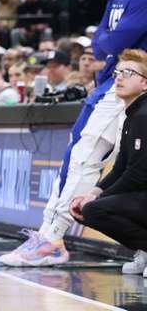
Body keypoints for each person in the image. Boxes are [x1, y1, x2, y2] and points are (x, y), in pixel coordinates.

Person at [0, 0, 147, 267]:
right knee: (91, 156)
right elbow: (99, 44)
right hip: (116, 82)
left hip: (129, 83)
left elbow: (115, 40)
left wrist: (107, 44)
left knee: (87, 155)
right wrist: (105, 44)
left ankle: (52, 237)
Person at [70, 49, 147, 275]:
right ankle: (144, 250)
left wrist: (98, 199)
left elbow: (138, 175)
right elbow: (121, 167)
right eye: (118, 72)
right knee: (87, 207)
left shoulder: (144, 116)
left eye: (129, 72)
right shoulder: (132, 114)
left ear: (145, 84)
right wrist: (92, 193)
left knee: (94, 211)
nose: (119, 77)